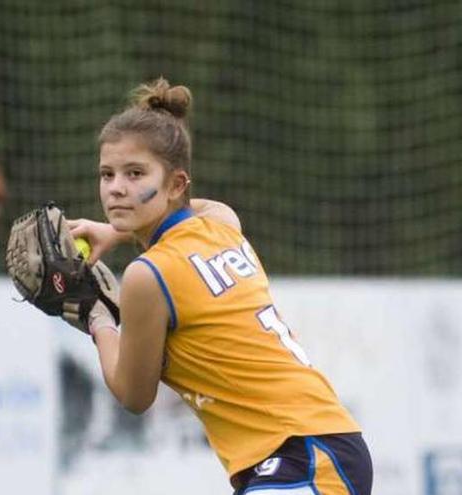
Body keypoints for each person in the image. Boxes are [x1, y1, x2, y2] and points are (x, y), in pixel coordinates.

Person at [66, 78, 373, 495]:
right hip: (321, 446)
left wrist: (96, 316)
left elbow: (135, 395)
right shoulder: (222, 226)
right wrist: (116, 230)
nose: (116, 187)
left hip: (302, 455)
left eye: (135, 173)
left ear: (177, 184)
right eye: (107, 174)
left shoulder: (146, 275)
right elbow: (198, 209)